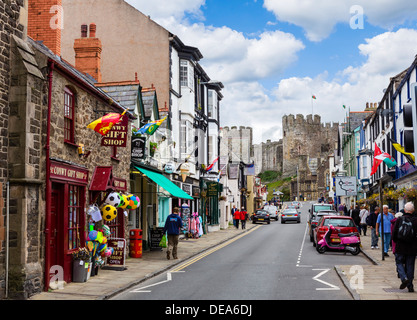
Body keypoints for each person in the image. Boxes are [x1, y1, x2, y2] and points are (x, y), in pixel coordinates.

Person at [392, 202, 417, 292]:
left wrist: (395, 242)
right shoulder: (415, 220)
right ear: (413, 210)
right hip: (412, 247)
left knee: (399, 263)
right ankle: (410, 286)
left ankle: (403, 278)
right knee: (410, 266)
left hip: (400, 246)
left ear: (405, 210)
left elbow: (394, 233)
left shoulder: (399, 219)